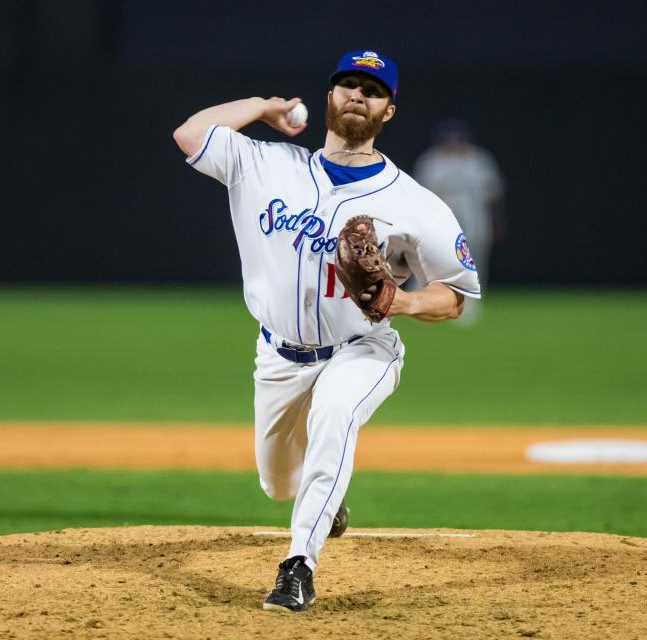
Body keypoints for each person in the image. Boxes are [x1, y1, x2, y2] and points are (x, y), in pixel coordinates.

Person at [172, 50, 480, 612]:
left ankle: (298, 568)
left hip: (362, 347)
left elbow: (456, 295)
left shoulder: (416, 204)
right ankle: (325, 497)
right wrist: (265, 107)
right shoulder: (264, 164)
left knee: (334, 415)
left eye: (372, 90)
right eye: (347, 85)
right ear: (329, 97)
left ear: (388, 111)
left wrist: (405, 300)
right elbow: (191, 133)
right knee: (277, 484)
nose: (358, 95)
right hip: (277, 356)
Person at [414, 118, 505, 323]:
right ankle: (424, 300)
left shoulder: (480, 160)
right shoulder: (432, 160)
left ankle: (469, 303)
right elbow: (420, 195)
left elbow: (493, 193)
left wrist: (496, 221)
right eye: (449, 139)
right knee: (429, 257)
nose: (454, 143)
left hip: (474, 216)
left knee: (474, 258)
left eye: (458, 139)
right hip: (439, 216)